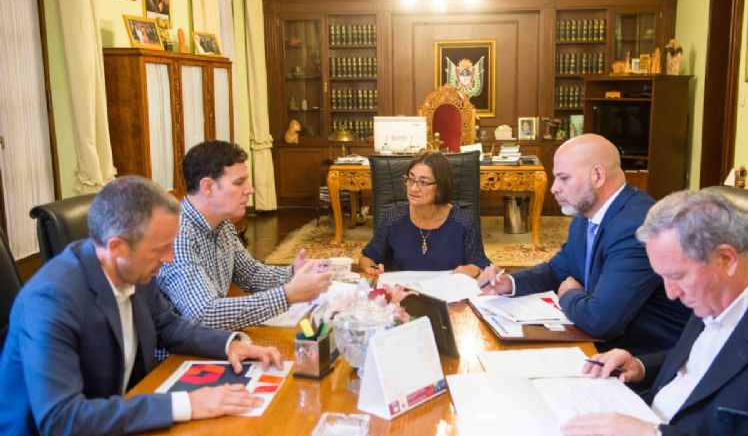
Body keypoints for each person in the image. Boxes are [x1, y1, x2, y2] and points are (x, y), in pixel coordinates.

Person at [0, 176, 284, 435]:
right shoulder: (50, 300)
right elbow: (63, 419)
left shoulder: (135, 268)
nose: (170, 258)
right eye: (161, 249)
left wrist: (229, 344)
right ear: (117, 248)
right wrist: (186, 404)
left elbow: (167, 325)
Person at [562, 189, 748, 436]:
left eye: (676, 276)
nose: (671, 292)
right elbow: (708, 359)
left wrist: (651, 434)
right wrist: (641, 365)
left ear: (726, 259)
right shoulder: (717, 288)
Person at [479, 134, 690, 354]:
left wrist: (570, 293)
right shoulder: (585, 214)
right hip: (596, 342)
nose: (554, 188)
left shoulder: (635, 227)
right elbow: (558, 269)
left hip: (637, 359)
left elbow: (600, 322)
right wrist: (509, 282)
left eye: (563, 178)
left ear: (597, 176)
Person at [156, 140, 332, 331]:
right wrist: (287, 295)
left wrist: (293, 273)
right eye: (239, 182)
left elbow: (251, 275)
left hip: (212, 341)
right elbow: (204, 313)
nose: (250, 190)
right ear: (207, 187)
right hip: (180, 355)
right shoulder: (178, 234)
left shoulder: (222, 225)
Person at [359, 150, 491, 278]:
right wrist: (373, 269)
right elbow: (367, 258)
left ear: (440, 187)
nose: (413, 188)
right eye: (411, 179)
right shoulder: (392, 219)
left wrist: (473, 269)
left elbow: (481, 266)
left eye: (423, 182)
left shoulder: (464, 222)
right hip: (404, 295)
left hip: (448, 296)